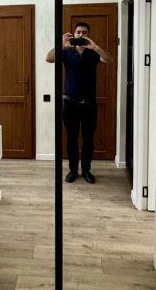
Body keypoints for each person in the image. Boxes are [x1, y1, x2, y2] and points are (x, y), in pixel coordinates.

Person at [46, 21, 113, 183]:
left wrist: (95, 47)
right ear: (74, 34)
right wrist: (61, 44)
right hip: (70, 103)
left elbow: (109, 59)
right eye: (78, 32)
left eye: (84, 32)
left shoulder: (92, 53)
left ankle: (86, 170)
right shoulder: (66, 52)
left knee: (88, 139)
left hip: (89, 104)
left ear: (88, 34)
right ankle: (73, 170)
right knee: (72, 138)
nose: (81, 34)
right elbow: (49, 58)